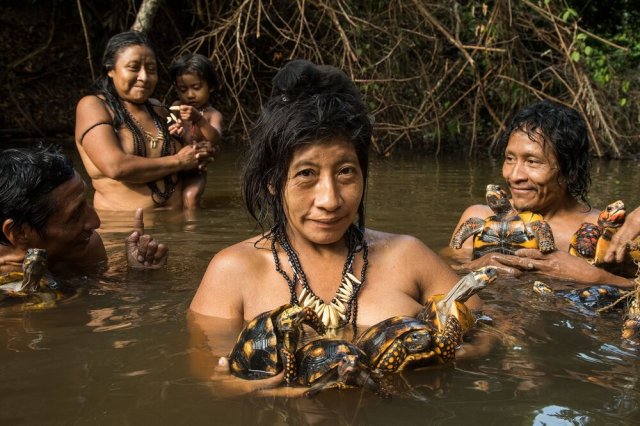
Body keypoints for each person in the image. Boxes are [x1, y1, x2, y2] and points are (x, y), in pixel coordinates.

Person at [188, 60, 480, 394]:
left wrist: (446, 355)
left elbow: (488, 330)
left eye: (345, 172)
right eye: (306, 174)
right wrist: (243, 388)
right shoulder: (232, 272)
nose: (330, 199)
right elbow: (211, 377)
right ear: (272, 181)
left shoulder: (409, 255)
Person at [446, 100, 633, 287]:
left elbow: (634, 288)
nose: (514, 175)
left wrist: (596, 278)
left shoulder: (603, 233)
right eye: (509, 158)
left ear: (570, 172)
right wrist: (475, 266)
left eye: (532, 161)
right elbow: (443, 269)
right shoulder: (480, 218)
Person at [75, 31, 210, 212]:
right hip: (125, 232)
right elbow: (116, 167)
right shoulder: (93, 106)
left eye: (151, 70)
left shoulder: (160, 110)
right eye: (133, 67)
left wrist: (201, 152)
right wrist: (179, 161)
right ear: (110, 70)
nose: (144, 77)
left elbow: (189, 153)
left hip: (182, 231)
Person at [0, 143, 168, 276]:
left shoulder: (84, 248)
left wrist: (139, 274)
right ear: (20, 233)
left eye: (86, 203)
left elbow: (103, 291)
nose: (95, 222)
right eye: (75, 215)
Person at [168, 53, 223, 209]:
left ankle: (192, 231)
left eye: (196, 88)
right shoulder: (176, 106)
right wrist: (174, 129)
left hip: (196, 171)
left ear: (210, 87)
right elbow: (167, 130)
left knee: (190, 198)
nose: (190, 95)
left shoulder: (213, 114)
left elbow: (215, 139)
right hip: (175, 167)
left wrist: (199, 119)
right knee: (174, 201)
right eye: (183, 89)